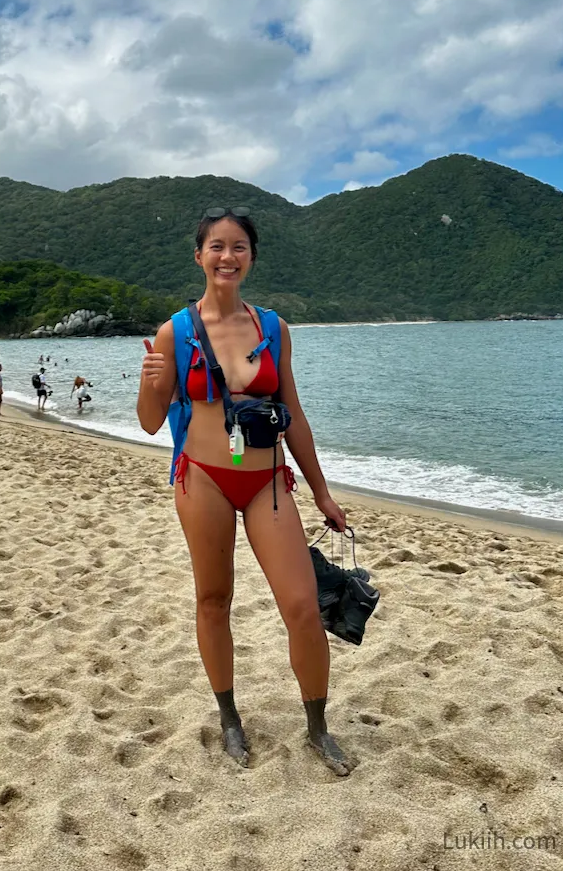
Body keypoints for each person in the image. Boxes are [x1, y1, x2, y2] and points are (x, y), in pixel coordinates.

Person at [136, 207, 352, 775]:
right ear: (199, 256)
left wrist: (322, 493)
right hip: (202, 477)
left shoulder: (273, 327)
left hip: (267, 481)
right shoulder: (175, 331)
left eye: (239, 247)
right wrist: (152, 383)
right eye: (216, 247)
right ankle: (230, 718)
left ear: (251, 256)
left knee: (303, 606)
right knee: (214, 600)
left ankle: (318, 728)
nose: (227, 257)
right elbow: (151, 424)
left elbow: (295, 414)